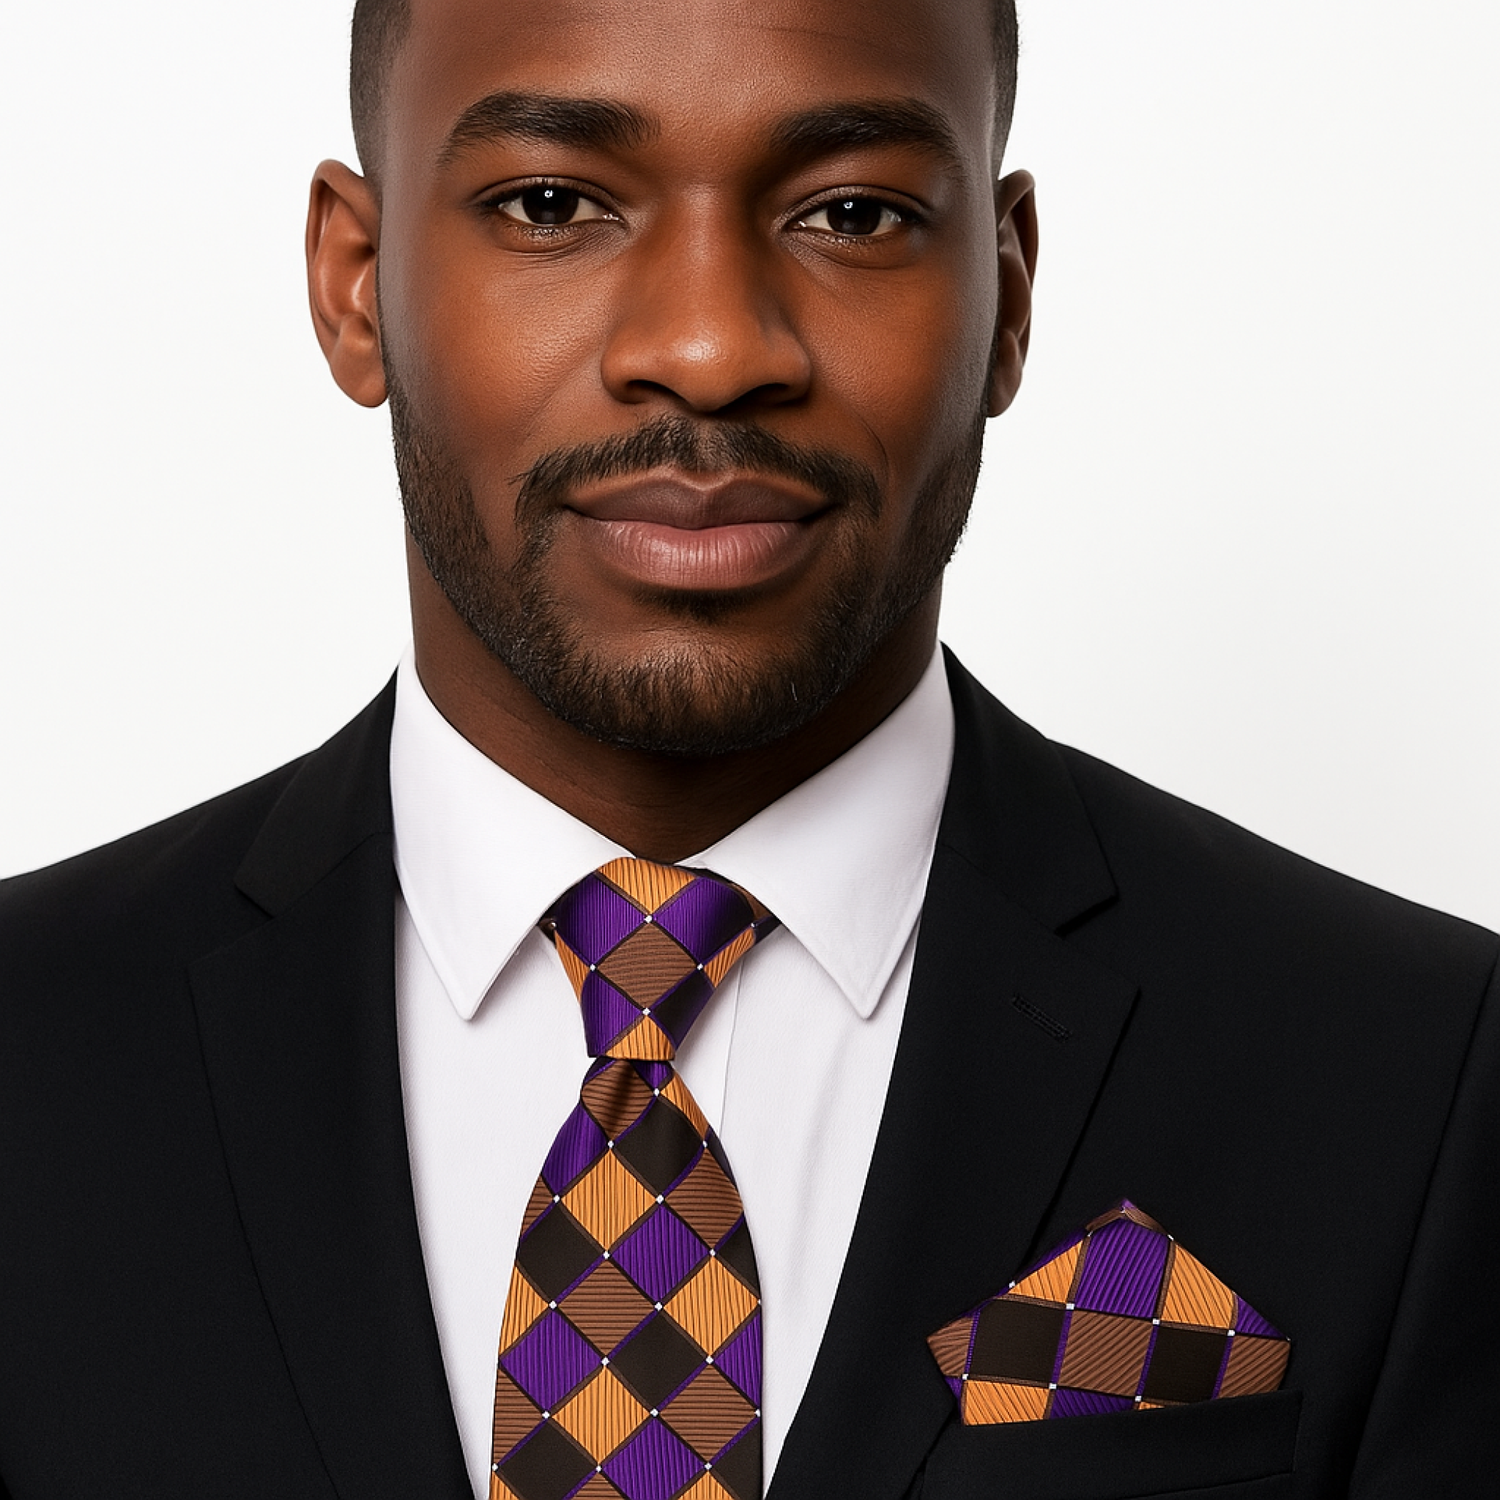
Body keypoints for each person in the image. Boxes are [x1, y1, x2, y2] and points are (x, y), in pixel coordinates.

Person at [0, 1, 1494, 1497]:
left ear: (1009, 295)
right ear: (354, 282)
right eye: (552, 204)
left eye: (853, 212)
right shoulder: (34, 1056)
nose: (709, 351)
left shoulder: (1420, 1078)